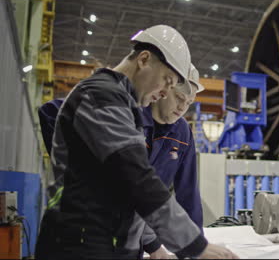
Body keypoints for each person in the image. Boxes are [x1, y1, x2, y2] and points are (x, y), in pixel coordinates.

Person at [35, 24, 237, 259]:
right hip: (81, 245)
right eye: (166, 80)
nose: (164, 92)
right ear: (143, 59)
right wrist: (195, 246)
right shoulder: (101, 97)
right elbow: (136, 178)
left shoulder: (126, 105)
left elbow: (129, 191)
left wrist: (153, 244)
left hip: (108, 244)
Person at [38, 64, 206, 259]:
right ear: (164, 90)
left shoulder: (183, 133)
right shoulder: (123, 111)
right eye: (179, 98)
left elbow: (188, 193)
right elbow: (51, 111)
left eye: (189, 102)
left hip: (130, 242)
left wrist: (197, 250)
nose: (183, 107)